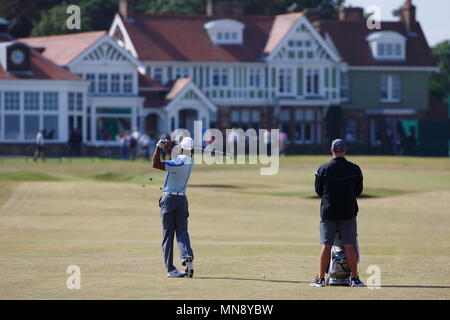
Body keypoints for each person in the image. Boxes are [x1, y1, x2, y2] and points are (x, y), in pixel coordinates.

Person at [310, 139, 365, 287]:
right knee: (349, 245)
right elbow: (358, 191)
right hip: (348, 212)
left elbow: (319, 191)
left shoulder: (323, 168)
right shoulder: (355, 169)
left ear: (331, 150)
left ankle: (320, 278)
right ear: (345, 150)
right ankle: (355, 279)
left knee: (326, 245)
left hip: (328, 213)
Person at [152, 137, 195, 278]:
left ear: (181, 148)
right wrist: (169, 149)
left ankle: (171, 269)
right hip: (182, 200)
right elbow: (178, 156)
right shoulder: (190, 161)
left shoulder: (178, 162)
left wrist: (158, 148)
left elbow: (156, 164)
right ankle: (187, 257)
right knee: (182, 232)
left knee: (168, 235)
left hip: (169, 200)